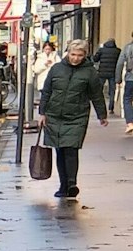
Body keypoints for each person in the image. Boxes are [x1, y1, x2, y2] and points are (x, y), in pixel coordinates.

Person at [39, 38, 111, 199]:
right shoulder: (56, 69)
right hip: (54, 116)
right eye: (73, 54)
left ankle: (72, 183)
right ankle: (63, 184)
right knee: (60, 150)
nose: (76, 58)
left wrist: (102, 115)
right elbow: (47, 91)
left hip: (76, 117)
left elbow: (96, 95)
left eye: (79, 55)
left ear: (85, 55)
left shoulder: (90, 72)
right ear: (68, 53)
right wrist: (42, 113)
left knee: (71, 149)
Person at [96, 38, 122, 115]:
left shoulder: (102, 50)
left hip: (102, 73)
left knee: (99, 90)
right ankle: (111, 108)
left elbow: (95, 59)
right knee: (112, 91)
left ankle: (99, 107)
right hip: (113, 73)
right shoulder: (118, 51)